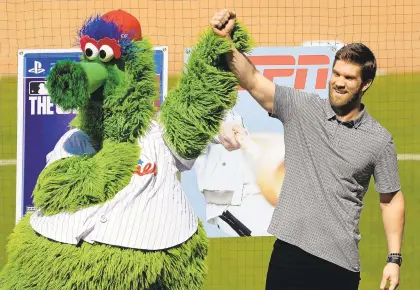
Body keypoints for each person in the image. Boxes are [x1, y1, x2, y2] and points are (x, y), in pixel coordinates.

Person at [210, 9, 405, 290]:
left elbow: (391, 199)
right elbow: (252, 80)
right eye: (336, 73)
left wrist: (394, 258)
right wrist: (225, 39)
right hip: (289, 254)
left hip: (339, 264)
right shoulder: (302, 108)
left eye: (349, 78)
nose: (338, 82)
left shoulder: (378, 139)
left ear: (365, 84)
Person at [194, 110, 276, 237]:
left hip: (256, 195)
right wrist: (219, 130)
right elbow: (193, 124)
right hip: (229, 206)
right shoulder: (192, 105)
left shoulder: (231, 111)